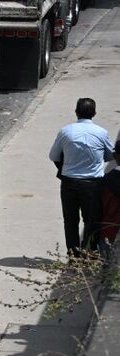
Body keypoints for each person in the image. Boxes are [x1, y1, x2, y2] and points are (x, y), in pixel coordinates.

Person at [49, 98, 114, 254]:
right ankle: (90, 253)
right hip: (93, 184)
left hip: (69, 183)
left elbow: (53, 156)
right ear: (94, 113)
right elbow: (111, 155)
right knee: (92, 221)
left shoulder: (66, 131)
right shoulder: (101, 132)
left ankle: (73, 254)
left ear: (76, 113)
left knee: (70, 221)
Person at [100, 143, 120, 263]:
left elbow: (98, 209)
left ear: (115, 155)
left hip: (109, 230)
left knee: (107, 267)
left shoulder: (106, 181)